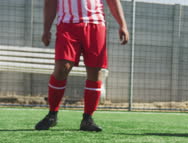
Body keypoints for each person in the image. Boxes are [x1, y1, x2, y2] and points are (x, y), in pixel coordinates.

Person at [35, 0, 129, 132]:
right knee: (62, 67)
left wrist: (122, 25)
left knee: (95, 72)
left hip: (95, 25)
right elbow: (50, 3)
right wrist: (46, 29)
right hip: (67, 25)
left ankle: (87, 119)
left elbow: (113, 2)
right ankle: (52, 115)